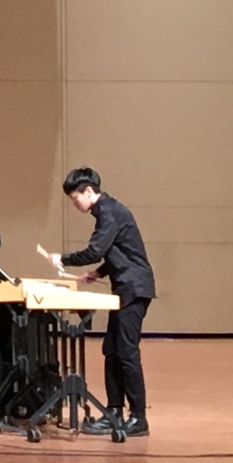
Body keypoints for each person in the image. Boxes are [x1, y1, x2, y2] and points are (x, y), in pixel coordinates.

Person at [50, 167, 155, 438]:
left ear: (88, 191)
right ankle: (114, 412)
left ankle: (139, 418)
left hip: (134, 288)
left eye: (75, 198)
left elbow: (96, 250)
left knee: (127, 352)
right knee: (112, 350)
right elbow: (121, 250)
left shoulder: (109, 212)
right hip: (125, 287)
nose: (74, 203)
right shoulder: (107, 211)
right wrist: (98, 273)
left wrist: (63, 258)